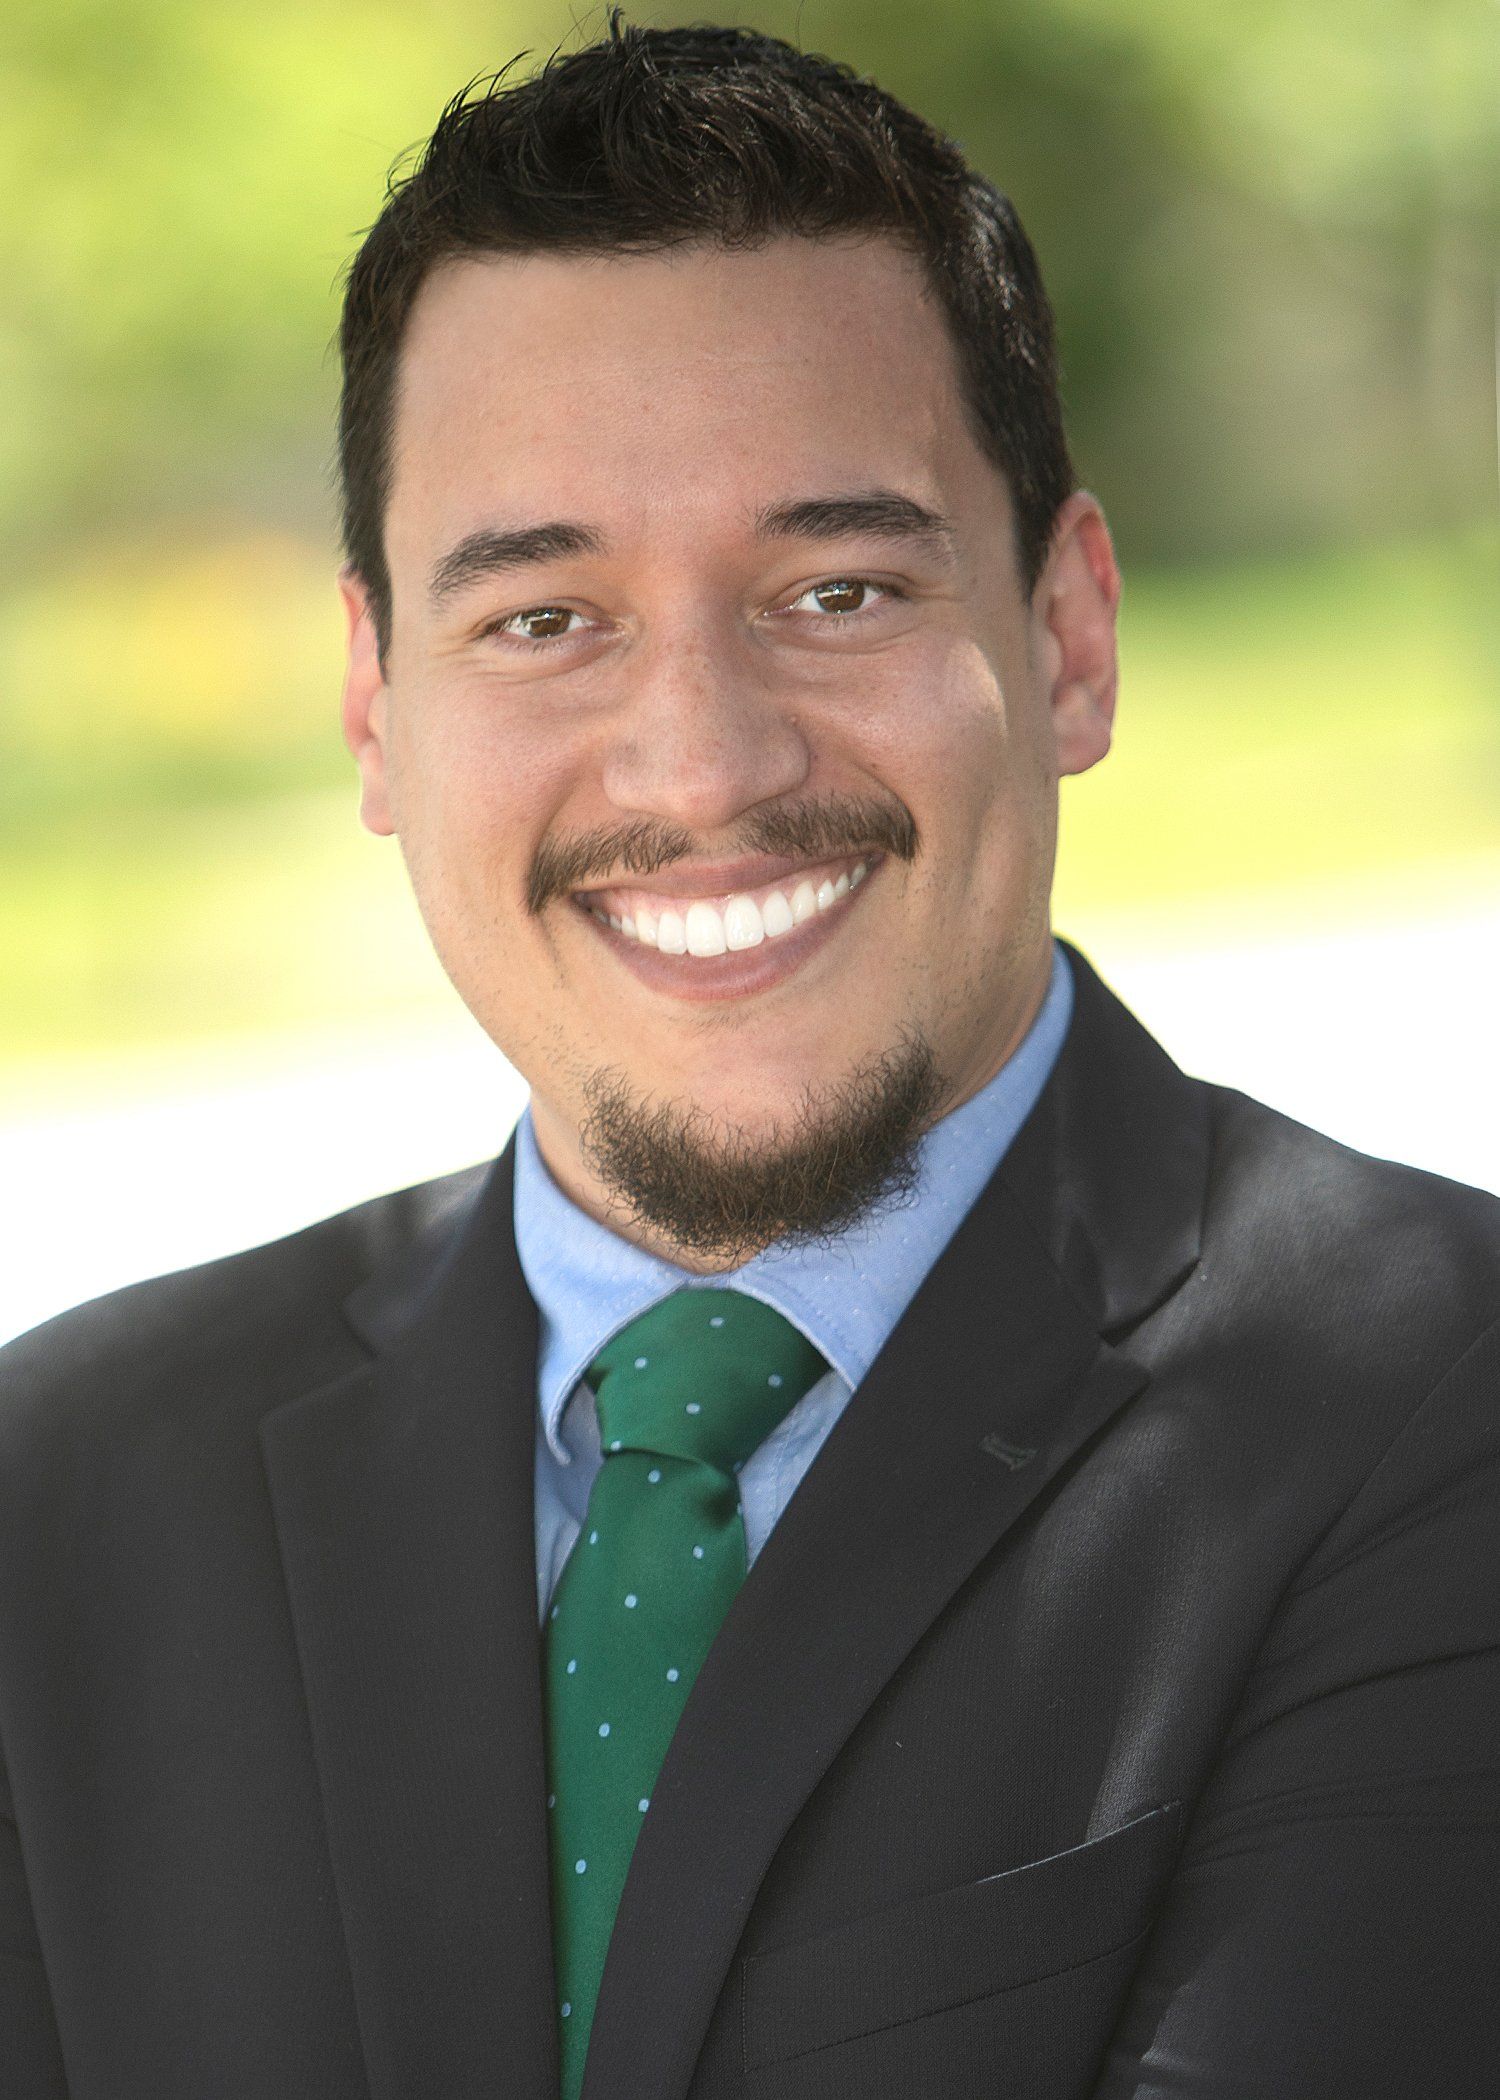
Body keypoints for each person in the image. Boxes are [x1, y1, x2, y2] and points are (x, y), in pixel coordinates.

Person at [2, 17, 1496, 2098]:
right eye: (546, 620)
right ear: (375, 708)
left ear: (1065, 636)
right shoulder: (52, 1491)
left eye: (837, 585)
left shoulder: (1441, 1408)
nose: (703, 764)